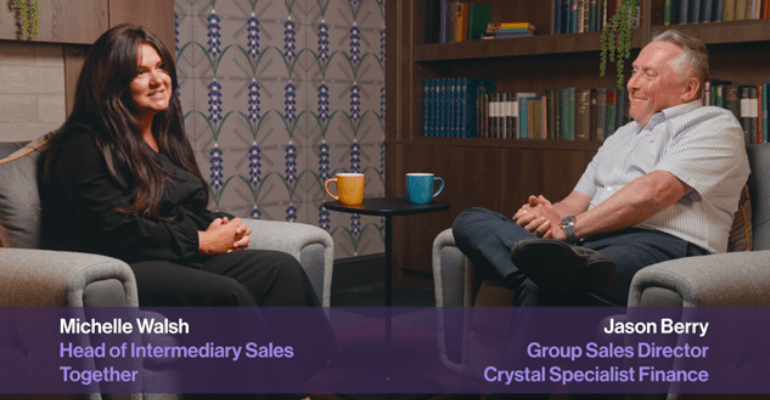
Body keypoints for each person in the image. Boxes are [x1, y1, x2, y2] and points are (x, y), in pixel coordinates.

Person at [39, 23, 337, 394]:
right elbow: (115, 230)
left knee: (281, 269)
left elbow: (178, 204)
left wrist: (221, 226)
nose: (157, 79)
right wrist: (201, 242)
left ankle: (298, 382)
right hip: (120, 265)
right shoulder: (82, 144)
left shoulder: (160, 131)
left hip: (167, 251)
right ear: (110, 83)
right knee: (228, 295)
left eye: (160, 67)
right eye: (139, 72)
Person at [452, 30, 750, 398]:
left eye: (648, 74)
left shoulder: (714, 124)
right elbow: (575, 202)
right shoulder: (621, 136)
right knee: (472, 219)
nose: (632, 83)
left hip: (665, 251)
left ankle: (560, 268)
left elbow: (654, 194)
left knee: (545, 280)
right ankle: (563, 268)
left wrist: (569, 228)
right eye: (634, 70)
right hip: (588, 247)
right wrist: (547, 214)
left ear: (689, 89)